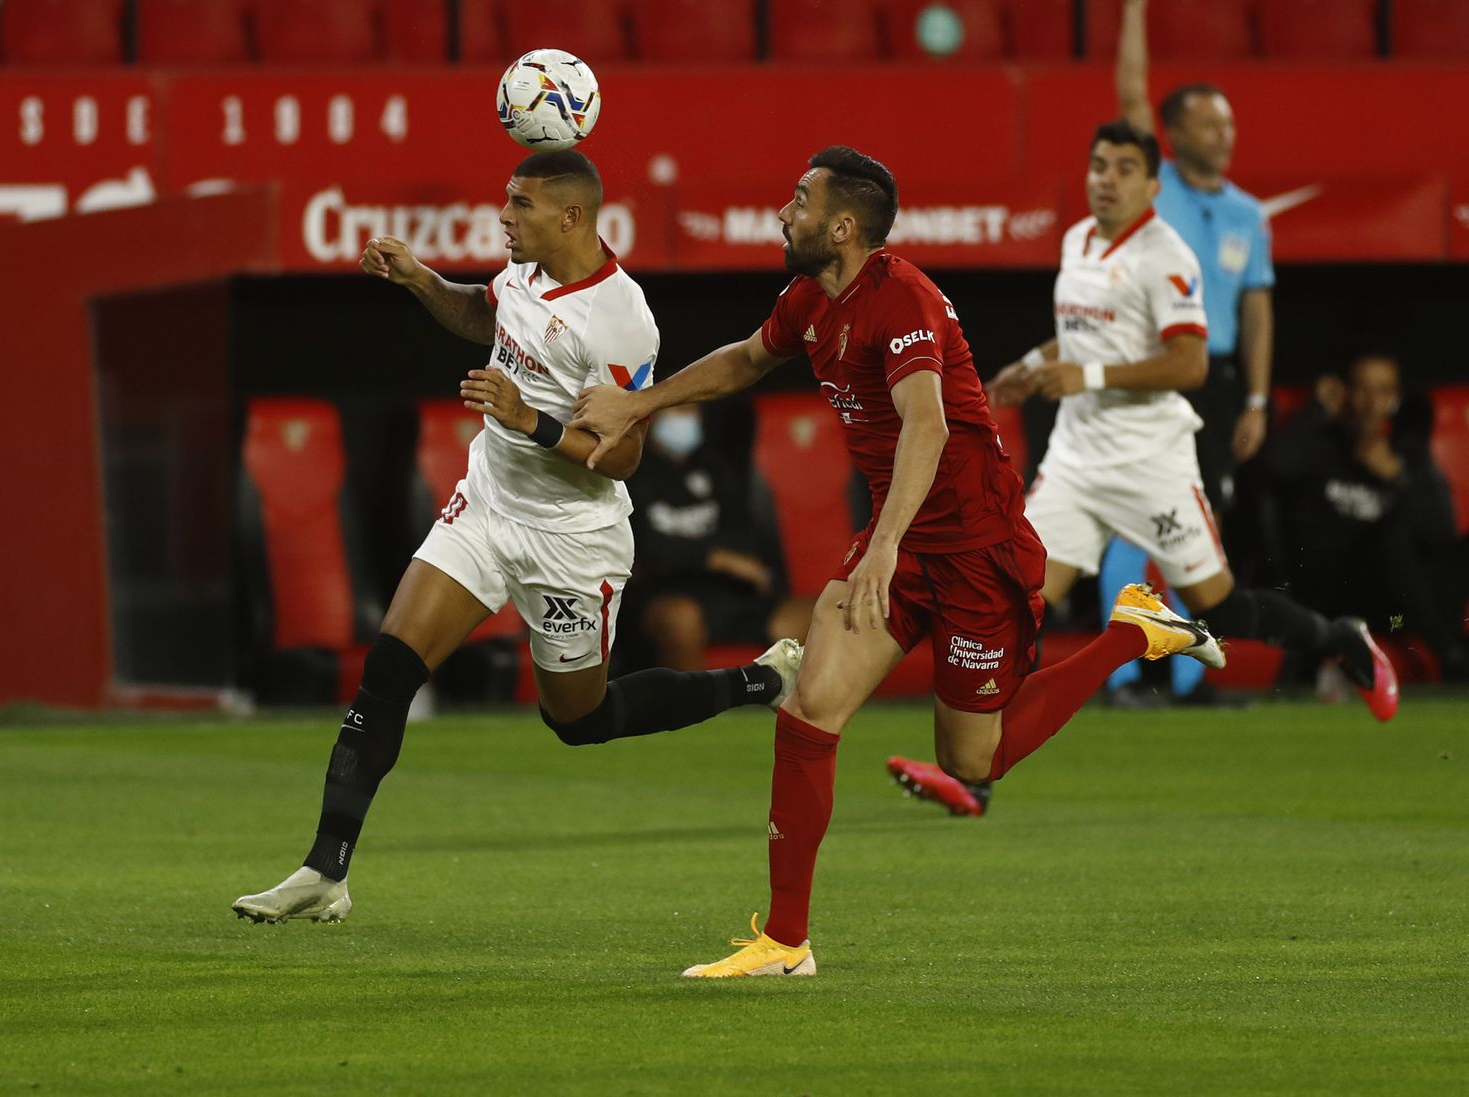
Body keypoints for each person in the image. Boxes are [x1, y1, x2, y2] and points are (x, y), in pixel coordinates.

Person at [573, 145, 1224, 978]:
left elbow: (930, 425)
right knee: (810, 707)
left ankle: (1133, 632)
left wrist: (881, 545)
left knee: (971, 761)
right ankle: (786, 941)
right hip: (897, 537)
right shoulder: (811, 295)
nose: (783, 212)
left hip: (976, 550)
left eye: (798, 200)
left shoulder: (903, 299)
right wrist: (640, 402)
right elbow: (744, 357)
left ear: (843, 226)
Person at [232, 150, 803, 925]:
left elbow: (625, 454)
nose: (504, 216)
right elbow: (487, 315)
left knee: (580, 720)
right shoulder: (523, 274)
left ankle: (758, 682)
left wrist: (525, 417)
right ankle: (324, 868)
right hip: (490, 505)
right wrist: (421, 281)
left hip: (572, 537)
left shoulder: (619, 317)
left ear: (570, 216)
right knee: (391, 667)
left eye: (520, 204)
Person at [888, 122, 1398, 814]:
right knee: (1015, 601)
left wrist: (1086, 373)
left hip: (1151, 458)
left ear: (1153, 185)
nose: (1107, 178)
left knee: (1221, 604)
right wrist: (1033, 368)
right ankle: (973, 773)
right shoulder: (1077, 240)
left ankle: (1342, 638)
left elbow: (1189, 360)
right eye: (1099, 164)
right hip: (1076, 458)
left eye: (1125, 168)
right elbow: (1078, 335)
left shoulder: (1167, 255)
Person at [1095, 0, 1279, 706]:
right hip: (1154, 371)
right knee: (1131, 519)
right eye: (1210, 122)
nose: (1225, 134)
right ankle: (1121, 673)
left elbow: (1256, 310)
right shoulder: (1153, 187)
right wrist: (1136, 11)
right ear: (1173, 134)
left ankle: (1187, 676)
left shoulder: (1247, 213)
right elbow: (1132, 92)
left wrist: (1257, 399)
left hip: (1220, 376)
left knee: (1205, 524)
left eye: (1229, 122)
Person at [1267, 355, 1466, 681]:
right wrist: (1315, 410)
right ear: (1345, 393)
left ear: (1396, 398)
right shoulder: (1321, 443)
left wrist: (1398, 479)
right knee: (1387, 536)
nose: (1373, 403)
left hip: (1402, 605)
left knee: (1401, 537)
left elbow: (1441, 533)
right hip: (1341, 594)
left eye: (1384, 392)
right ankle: (1450, 657)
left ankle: (1450, 649)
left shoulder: (1406, 450)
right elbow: (1275, 468)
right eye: (1362, 390)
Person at [622, 405, 814, 672]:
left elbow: (746, 534)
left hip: (732, 595)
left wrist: (754, 570)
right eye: (676, 413)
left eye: (692, 413)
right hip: (666, 595)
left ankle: (794, 708)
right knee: (682, 620)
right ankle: (697, 708)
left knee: (820, 614)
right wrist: (714, 559)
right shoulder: (629, 476)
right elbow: (644, 547)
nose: (686, 422)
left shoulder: (717, 469)